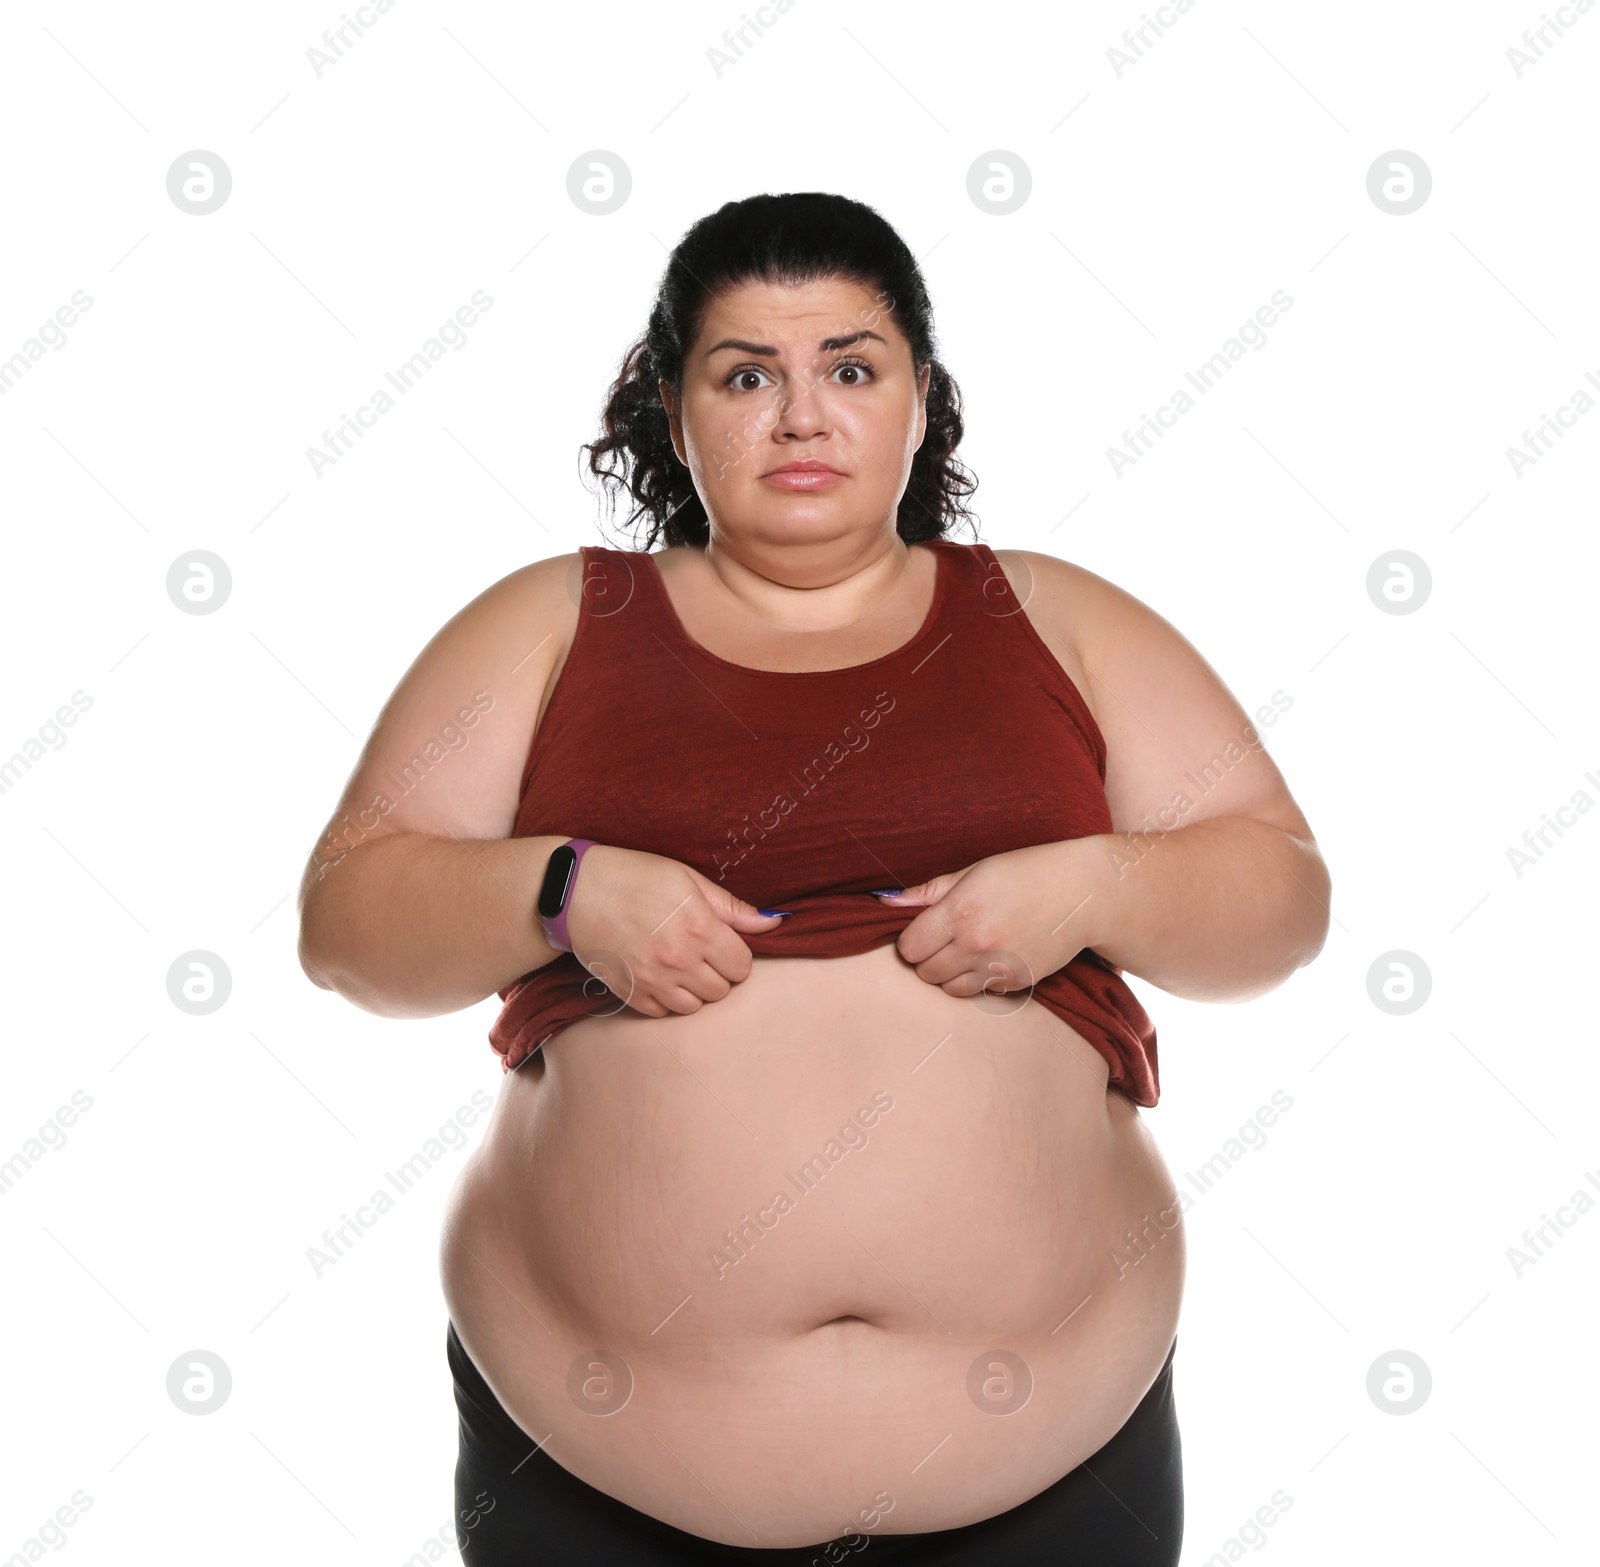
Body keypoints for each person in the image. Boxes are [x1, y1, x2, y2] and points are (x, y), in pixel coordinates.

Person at [296, 191, 1331, 1565]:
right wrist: (561, 889)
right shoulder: (556, 621)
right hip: (604, 1473)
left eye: (851, 368)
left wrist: (1098, 886)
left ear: (919, 400)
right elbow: (347, 922)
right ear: (675, 411)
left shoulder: (1056, 616)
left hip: (1054, 1461)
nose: (802, 417)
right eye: (746, 375)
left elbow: (1282, 895)